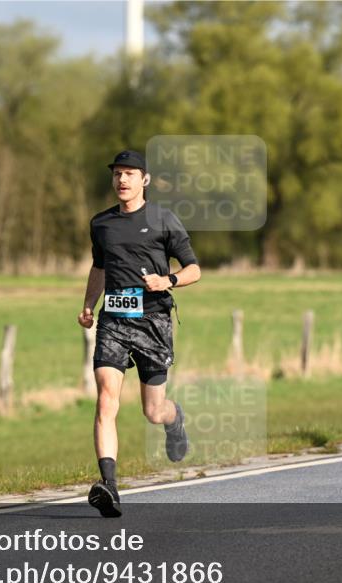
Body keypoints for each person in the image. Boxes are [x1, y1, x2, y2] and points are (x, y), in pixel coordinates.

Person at [78, 149, 202, 517]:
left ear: (144, 179)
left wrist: (169, 280)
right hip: (113, 322)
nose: (122, 180)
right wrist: (88, 304)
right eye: (117, 173)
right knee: (105, 400)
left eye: (129, 173)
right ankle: (109, 486)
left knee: (152, 410)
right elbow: (99, 267)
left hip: (153, 321)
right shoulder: (101, 224)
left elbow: (195, 269)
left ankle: (174, 419)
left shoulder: (163, 220)